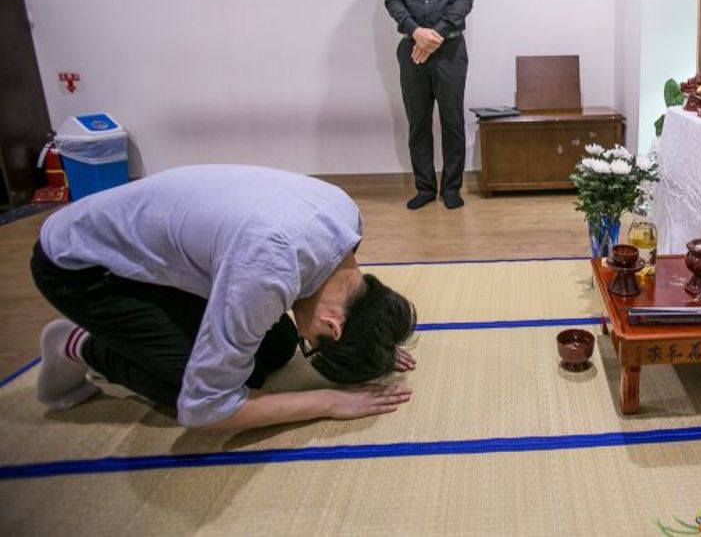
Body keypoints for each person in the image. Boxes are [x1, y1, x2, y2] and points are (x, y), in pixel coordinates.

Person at [30, 164, 418, 431]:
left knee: (279, 347)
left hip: (156, 253)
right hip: (81, 267)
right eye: (315, 343)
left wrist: (374, 337)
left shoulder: (345, 215)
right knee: (193, 384)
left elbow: (345, 303)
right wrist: (330, 402)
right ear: (334, 325)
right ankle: (77, 343)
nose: (307, 343)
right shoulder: (267, 267)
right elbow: (207, 409)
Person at [381, 0, 476, 210]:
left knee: (452, 120)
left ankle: (451, 189)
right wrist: (416, 33)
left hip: (451, 50)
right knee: (418, 121)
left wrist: (431, 36)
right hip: (411, 51)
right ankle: (424, 188)